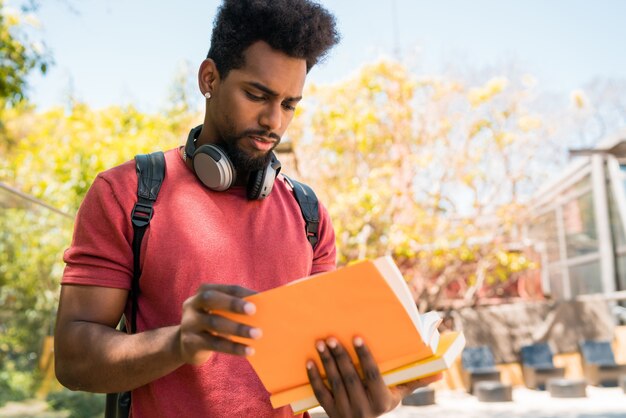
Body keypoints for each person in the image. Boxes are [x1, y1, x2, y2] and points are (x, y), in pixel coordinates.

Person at [53, 1, 440, 417]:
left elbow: (319, 367)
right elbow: (74, 360)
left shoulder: (309, 216)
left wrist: (372, 397)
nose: (274, 120)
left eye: (290, 104)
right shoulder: (128, 194)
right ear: (210, 78)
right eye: (258, 95)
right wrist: (179, 343)